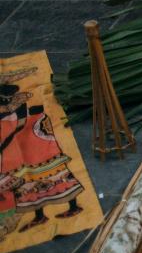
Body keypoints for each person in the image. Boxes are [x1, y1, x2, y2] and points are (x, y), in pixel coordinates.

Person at [0, 79, 85, 236]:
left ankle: (74, 207)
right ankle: (39, 216)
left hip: (37, 142)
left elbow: (18, 127)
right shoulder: (7, 111)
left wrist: (3, 145)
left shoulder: (18, 108)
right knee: (31, 182)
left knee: (54, 174)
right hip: (29, 145)